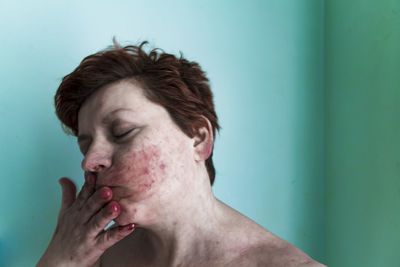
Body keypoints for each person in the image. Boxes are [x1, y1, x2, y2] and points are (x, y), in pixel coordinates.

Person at [37, 40, 325, 267]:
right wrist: (59, 261)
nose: (89, 161)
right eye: (85, 145)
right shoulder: (92, 257)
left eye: (122, 131)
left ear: (199, 139)